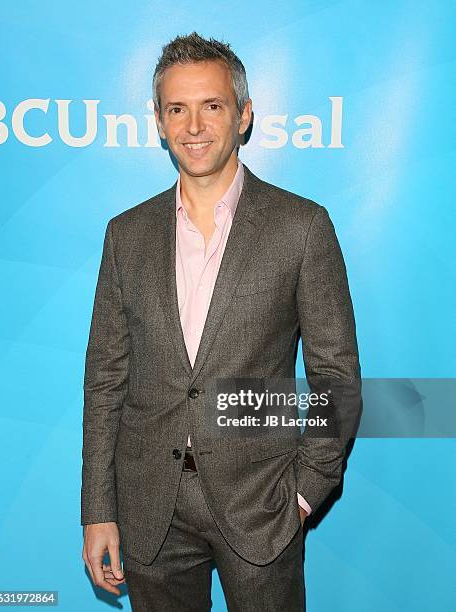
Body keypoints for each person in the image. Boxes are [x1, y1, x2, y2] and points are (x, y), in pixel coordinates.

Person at [81, 31, 362, 612]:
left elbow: (336, 378)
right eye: (176, 109)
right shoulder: (125, 235)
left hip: (261, 503)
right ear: (158, 121)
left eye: (212, 105)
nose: (194, 126)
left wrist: (305, 495)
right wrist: (99, 510)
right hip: (148, 508)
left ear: (244, 114)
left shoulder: (301, 227)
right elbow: (105, 382)